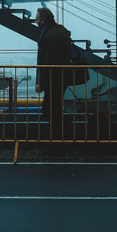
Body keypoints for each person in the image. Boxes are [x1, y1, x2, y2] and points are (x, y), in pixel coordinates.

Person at [34, 7, 74, 140]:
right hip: (59, 77)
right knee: (54, 110)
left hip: (55, 79)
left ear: (43, 20)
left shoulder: (50, 35)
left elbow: (49, 62)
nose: (35, 21)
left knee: (50, 111)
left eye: (37, 18)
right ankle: (62, 136)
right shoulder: (57, 31)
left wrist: (42, 82)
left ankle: (59, 139)